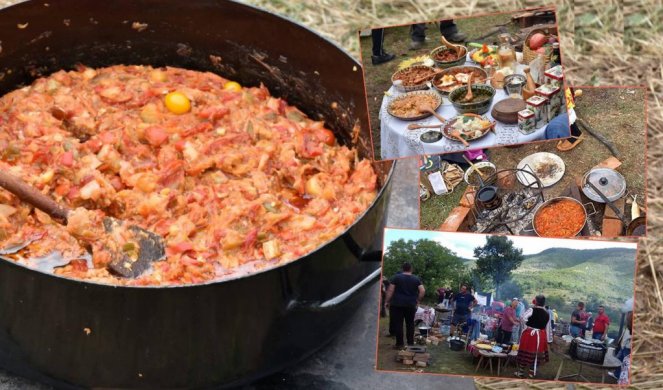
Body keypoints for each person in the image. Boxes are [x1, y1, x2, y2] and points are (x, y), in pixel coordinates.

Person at [384, 262, 425, 349]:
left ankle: (399, 344)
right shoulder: (416, 279)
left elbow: (390, 290)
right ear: (411, 269)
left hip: (397, 304)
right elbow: (422, 291)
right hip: (410, 305)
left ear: (403, 268)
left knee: (398, 324)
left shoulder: (396, 277)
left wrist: (386, 301)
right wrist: (418, 300)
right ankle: (410, 343)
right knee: (410, 324)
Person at [515, 295, 551, 378]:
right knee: (536, 355)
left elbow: (523, 318)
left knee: (525, 352)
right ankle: (531, 374)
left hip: (530, 335)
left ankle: (521, 372)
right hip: (541, 336)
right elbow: (548, 328)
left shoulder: (531, 310)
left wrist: (527, 326)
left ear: (536, 301)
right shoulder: (547, 313)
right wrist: (548, 340)